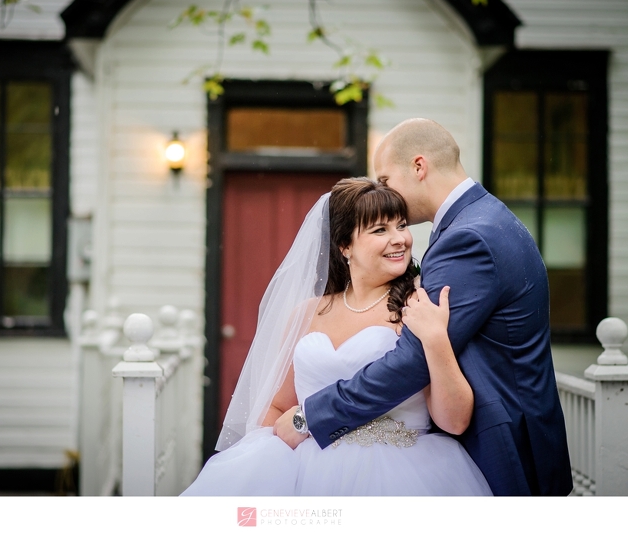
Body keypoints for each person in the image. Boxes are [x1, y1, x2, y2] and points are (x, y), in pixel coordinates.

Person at [275, 118, 573, 496]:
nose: (385, 193)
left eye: (385, 180)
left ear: (418, 167)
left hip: (500, 442)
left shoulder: (468, 238)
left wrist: (310, 416)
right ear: (344, 247)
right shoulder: (485, 217)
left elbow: (412, 362)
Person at [181, 178, 492, 495]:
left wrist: (437, 337)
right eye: (380, 230)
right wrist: (273, 467)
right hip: (309, 472)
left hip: (401, 476)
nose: (400, 239)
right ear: (345, 246)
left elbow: (454, 421)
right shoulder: (307, 313)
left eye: (401, 225)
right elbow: (276, 408)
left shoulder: (416, 306)